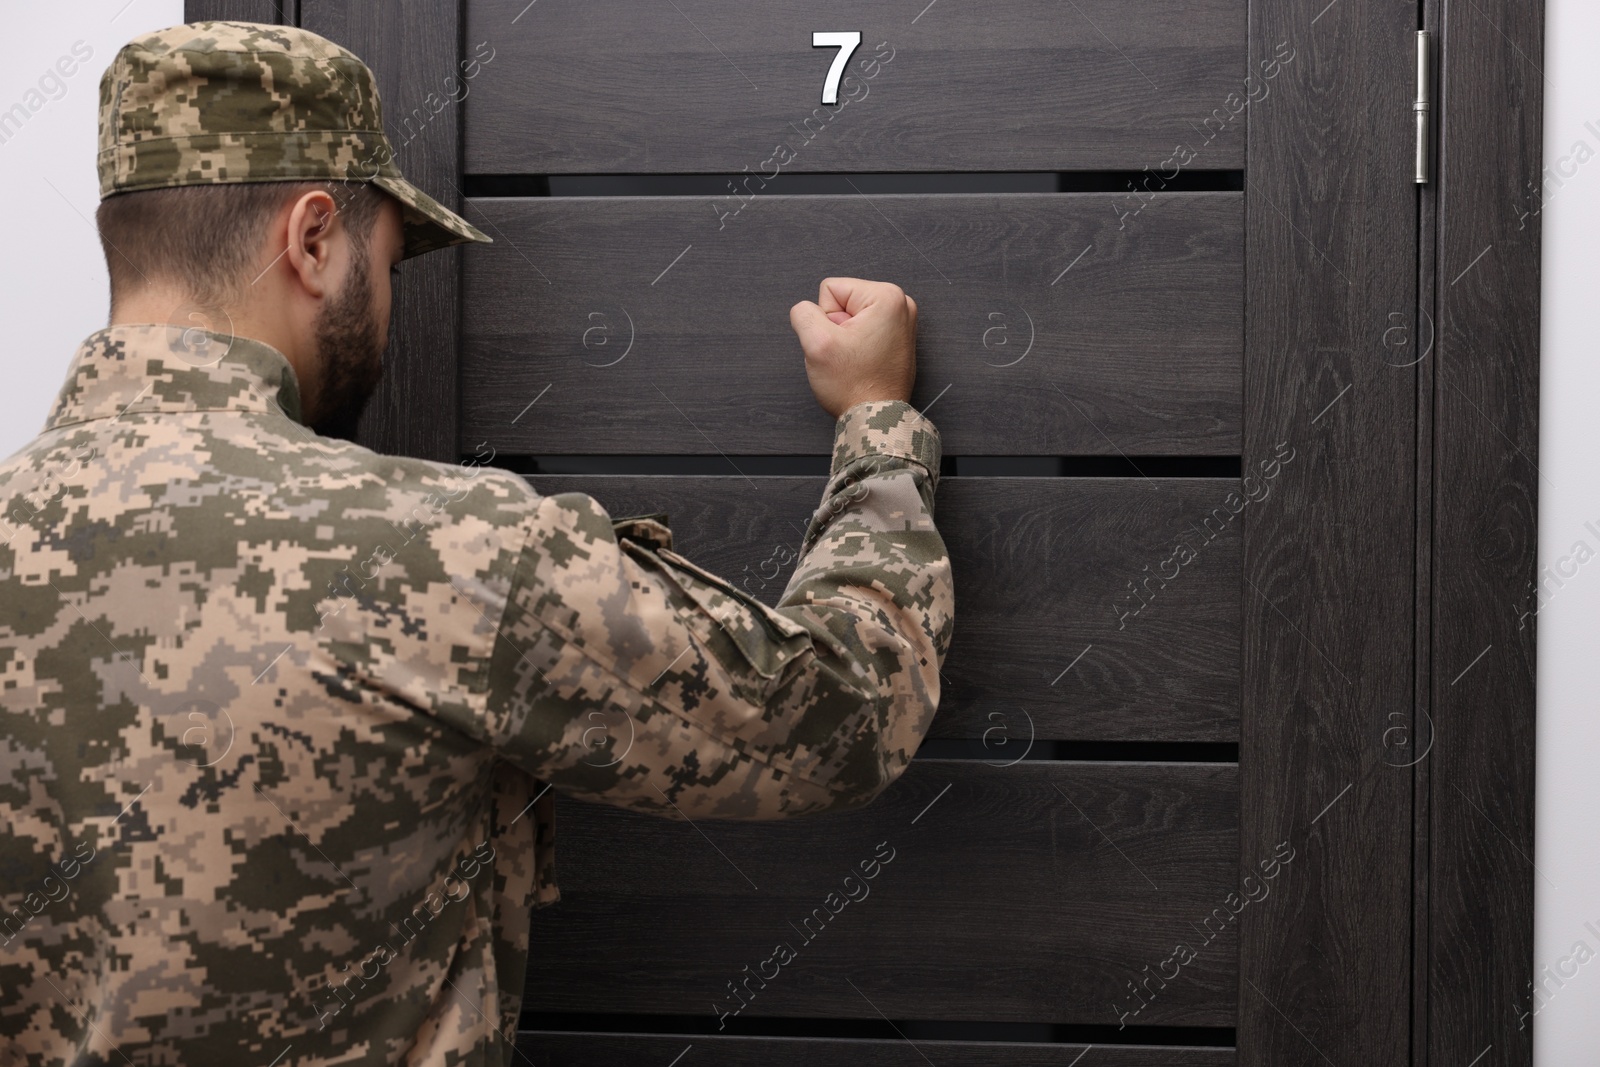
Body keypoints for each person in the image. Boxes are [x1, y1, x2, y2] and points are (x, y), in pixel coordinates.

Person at [0, 20, 953, 1067]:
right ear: (314, 238)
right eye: (390, 265)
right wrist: (876, 421)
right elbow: (845, 712)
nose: (390, 305)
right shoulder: (442, 551)